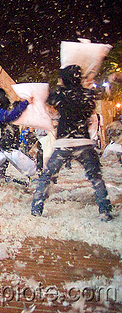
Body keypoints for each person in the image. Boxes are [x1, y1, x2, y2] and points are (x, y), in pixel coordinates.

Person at [31, 65, 113, 221]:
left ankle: (36, 210)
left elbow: (47, 98)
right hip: (83, 142)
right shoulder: (87, 94)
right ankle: (105, 212)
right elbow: (89, 110)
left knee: (47, 177)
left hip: (64, 142)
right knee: (96, 178)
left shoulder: (61, 94)